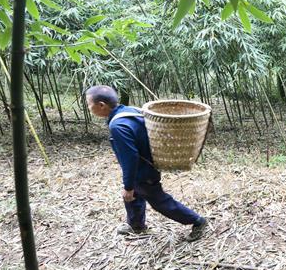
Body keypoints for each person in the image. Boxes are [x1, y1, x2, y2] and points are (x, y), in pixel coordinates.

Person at [85, 85, 209, 240]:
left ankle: (197, 221)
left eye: (89, 104)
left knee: (158, 200)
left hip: (143, 171)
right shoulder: (129, 111)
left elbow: (130, 158)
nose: (88, 107)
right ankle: (136, 225)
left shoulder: (118, 126)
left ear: (101, 105)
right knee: (133, 196)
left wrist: (128, 186)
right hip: (148, 164)